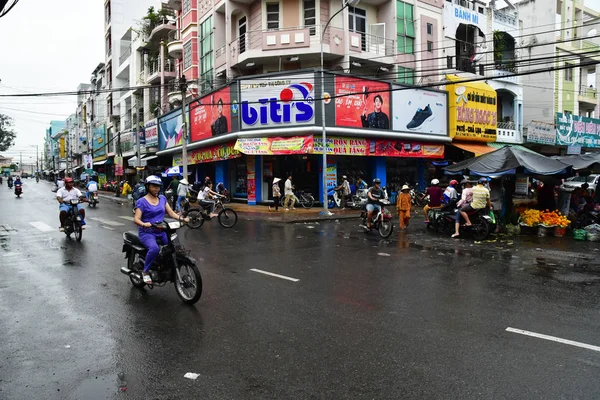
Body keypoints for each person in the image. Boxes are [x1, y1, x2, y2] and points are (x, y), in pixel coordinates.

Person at [133, 176, 188, 285]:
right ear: (147, 186)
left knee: (174, 247)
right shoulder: (141, 202)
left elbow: (171, 213)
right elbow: (136, 219)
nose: (156, 189)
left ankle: (163, 266)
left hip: (162, 230)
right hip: (147, 232)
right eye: (153, 186)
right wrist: (144, 224)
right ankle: (145, 271)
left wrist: (182, 219)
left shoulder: (162, 198)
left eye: (158, 186)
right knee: (154, 249)